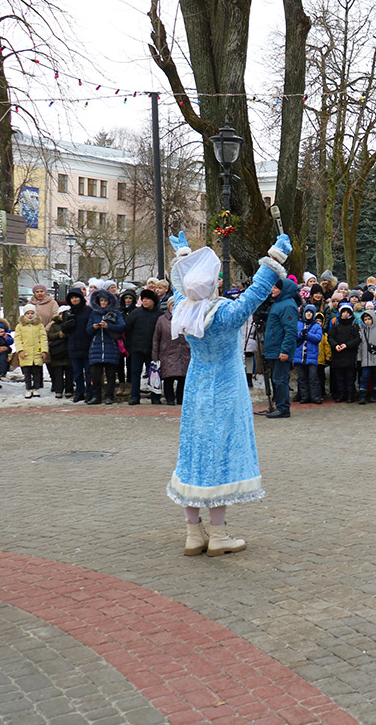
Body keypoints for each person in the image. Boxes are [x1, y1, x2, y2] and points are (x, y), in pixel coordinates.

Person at [165, 230, 291, 557]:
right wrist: (275, 256)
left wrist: (183, 256)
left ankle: (194, 534)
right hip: (226, 390)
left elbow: (181, 288)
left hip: (196, 389)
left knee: (193, 452)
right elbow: (258, 290)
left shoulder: (184, 308)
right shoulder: (225, 315)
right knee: (220, 456)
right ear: (213, 284)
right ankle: (218, 536)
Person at [263, 277, 300, 418]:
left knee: (280, 379)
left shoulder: (287, 305)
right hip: (275, 348)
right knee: (276, 379)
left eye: (276, 287)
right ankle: (279, 406)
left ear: (283, 290)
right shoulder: (279, 304)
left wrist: (285, 350)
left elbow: (290, 330)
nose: (273, 289)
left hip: (280, 350)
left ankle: (283, 408)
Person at [86, 289, 125, 405]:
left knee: (111, 375)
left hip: (111, 347)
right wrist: (94, 327)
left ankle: (109, 396)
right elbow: (87, 330)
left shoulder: (116, 313)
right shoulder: (94, 313)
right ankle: (96, 396)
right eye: (101, 300)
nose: (103, 303)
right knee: (95, 375)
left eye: (105, 301)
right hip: (96, 348)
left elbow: (122, 326)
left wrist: (108, 326)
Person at [124, 289, 162, 405]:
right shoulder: (136, 313)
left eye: (147, 299)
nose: (144, 301)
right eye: (143, 299)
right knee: (135, 373)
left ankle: (155, 396)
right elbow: (127, 330)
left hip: (153, 350)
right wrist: (130, 346)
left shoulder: (159, 315)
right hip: (136, 349)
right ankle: (134, 396)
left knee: (154, 373)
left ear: (153, 301)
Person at [152, 299, 191, 405]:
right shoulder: (162, 320)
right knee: (168, 377)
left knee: (183, 378)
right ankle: (169, 398)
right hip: (167, 352)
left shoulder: (186, 319)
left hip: (184, 352)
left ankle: (180, 398)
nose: (175, 307)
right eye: (173, 305)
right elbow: (156, 338)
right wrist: (155, 356)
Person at [328, 303, 361, 404]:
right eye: (344, 312)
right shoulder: (336, 325)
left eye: (347, 312)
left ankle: (350, 395)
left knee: (350, 377)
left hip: (350, 355)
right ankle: (341, 395)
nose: (345, 314)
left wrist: (347, 345)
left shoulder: (354, 325)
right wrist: (335, 345)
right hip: (338, 355)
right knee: (339, 377)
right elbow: (330, 337)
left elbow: (357, 339)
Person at [14, 305, 48, 399]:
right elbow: (17, 339)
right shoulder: (20, 326)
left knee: (36, 372)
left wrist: (44, 350)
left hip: (37, 353)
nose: (30, 315)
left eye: (32, 313)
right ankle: (28, 388)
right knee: (27, 373)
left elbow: (43, 338)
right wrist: (20, 350)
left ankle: (36, 388)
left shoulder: (39, 326)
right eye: (27, 313)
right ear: (24, 314)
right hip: (25, 353)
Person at [294, 305, 324, 405]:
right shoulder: (299, 324)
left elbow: (318, 338)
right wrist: (300, 334)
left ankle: (315, 397)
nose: (309, 314)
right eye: (307, 312)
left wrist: (308, 335)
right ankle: (304, 396)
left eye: (311, 313)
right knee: (302, 378)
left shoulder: (316, 326)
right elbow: (294, 335)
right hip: (299, 356)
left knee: (313, 378)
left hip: (312, 356)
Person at [357, 310, 376, 404]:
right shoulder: (362, 331)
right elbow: (360, 347)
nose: (367, 321)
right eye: (365, 320)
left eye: (369, 319)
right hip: (365, 359)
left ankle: (375, 393)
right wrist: (359, 359)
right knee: (364, 377)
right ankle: (363, 394)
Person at [46, 307, 72, 398]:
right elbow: (50, 336)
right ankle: (58, 390)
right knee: (57, 373)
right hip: (57, 353)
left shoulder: (71, 323)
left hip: (68, 352)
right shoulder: (54, 325)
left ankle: (69, 389)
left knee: (69, 373)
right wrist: (59, 334)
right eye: (61, 314)